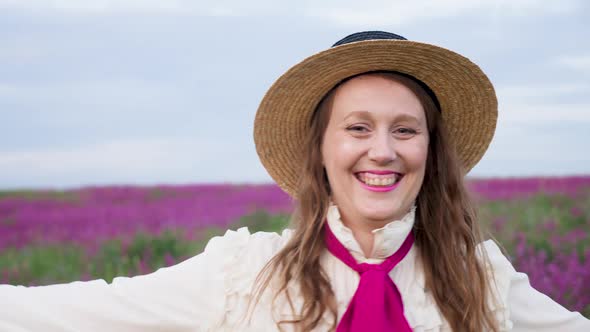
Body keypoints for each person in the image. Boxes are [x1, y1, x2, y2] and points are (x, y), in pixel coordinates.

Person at [0, 31, 588, 332]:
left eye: (406, 131)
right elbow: (81, 312)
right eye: (358, 127)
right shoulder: (242, 274)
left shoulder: (481, 281)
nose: (382, 151)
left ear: (432, 154)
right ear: (322, 149)